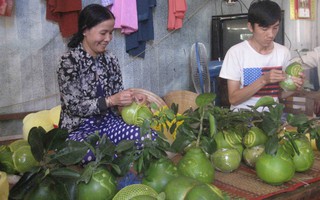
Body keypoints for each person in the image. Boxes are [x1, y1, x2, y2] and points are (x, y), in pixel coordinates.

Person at [57, 4, 156, 164]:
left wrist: (131, 98)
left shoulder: (111, 59)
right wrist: (110, 101)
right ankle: (118, 157)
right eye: (103, 33)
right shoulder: (69, 62)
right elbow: (73, 107)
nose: (108, 38)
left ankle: (119, 156)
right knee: (91, 152)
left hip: (108, 123)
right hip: (79, 129)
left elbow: (118, 94)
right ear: (85, 30)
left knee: (147, 136)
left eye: (110, 33)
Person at [219, 0, 304, 111]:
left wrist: (295, 87)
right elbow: (233, 99)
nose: (271, 34)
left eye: (275, 27)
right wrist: (263, 80)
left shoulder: (283, 52)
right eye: (264, 29)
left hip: (272, 118)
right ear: (250, 27)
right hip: (241, 119)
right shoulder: (236, 53)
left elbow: (280, 95)